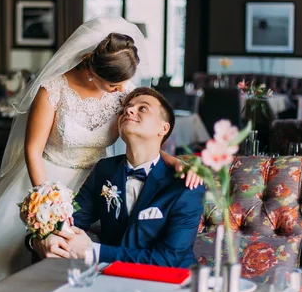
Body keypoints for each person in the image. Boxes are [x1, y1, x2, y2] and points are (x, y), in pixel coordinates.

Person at [0, 17, 201, 292]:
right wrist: (46, 199)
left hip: (98, 179)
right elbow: (33, 150)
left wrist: (176, 162)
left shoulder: (122, 89)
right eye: (112, 85)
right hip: (46, 177)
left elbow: (147, 140)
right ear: (92, 71)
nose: (121, 93)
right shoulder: (53, 91)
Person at [31, 87, 205, 267]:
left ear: (163, 128)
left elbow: (169, 259)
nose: (128, 111)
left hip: (171, 285)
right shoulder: (105, 170)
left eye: (142, 108)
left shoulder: (187, 182)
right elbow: (72, 219)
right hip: (112, 280)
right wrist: (41, 239)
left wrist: (93, 251)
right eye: (124, 110)